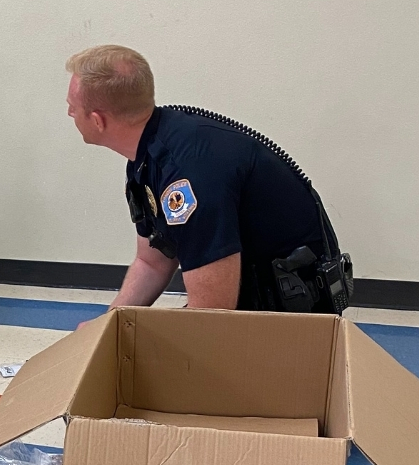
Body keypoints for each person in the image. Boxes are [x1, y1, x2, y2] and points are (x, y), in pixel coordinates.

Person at [65, 45, 348, 311]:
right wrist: (109, 323)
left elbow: (212, 310)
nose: (69, 113)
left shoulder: (187, 173)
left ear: (97, 120)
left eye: (72, 107)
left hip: (289, 310)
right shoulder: (149, 152)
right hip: (248, 296)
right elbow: (152, 262)